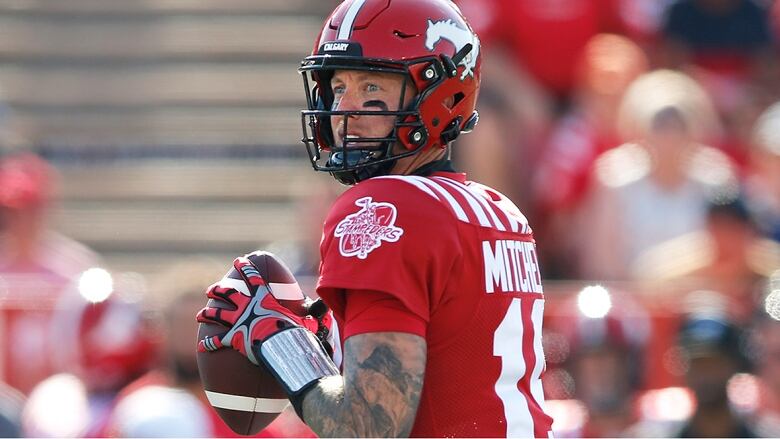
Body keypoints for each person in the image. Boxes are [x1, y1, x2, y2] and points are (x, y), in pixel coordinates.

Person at [196, 0, 553, 437]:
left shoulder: (386, 205)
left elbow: (369, 426)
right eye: (339, 86)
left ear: (438, 93)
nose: (345, 110)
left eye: (372, 88)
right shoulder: (497, 209)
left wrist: (281, 345)